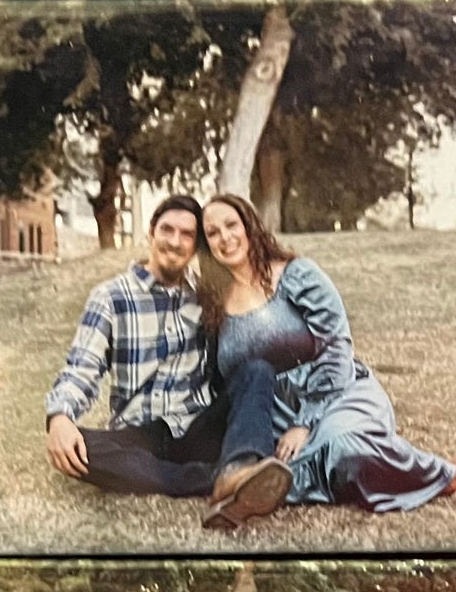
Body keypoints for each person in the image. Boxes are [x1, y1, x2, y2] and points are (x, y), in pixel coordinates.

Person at [196, 194, 456, 527]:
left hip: (335, 394)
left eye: (231, 225)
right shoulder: (212, 306)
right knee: (277, 479)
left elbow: (336, 347)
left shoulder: (297, 275)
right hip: (273, 418)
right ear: (206, 244)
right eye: (213, 233)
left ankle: (451, 477)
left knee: (345, 446)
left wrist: (304, 423)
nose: (225, 238)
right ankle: (410, 462)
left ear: (249, 225)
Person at [43, 194, 292, 530]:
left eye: (187, 235)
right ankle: (217, 479)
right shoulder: (111, 297)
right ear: (151, 233)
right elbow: (81, 369)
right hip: (140, 433)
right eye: (167, 230)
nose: (175, 242)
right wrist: (59, 417)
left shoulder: (207, 297)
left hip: (196, 427)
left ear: (195, 247)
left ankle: (239, 467)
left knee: (257, 370)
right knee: (79, 448)